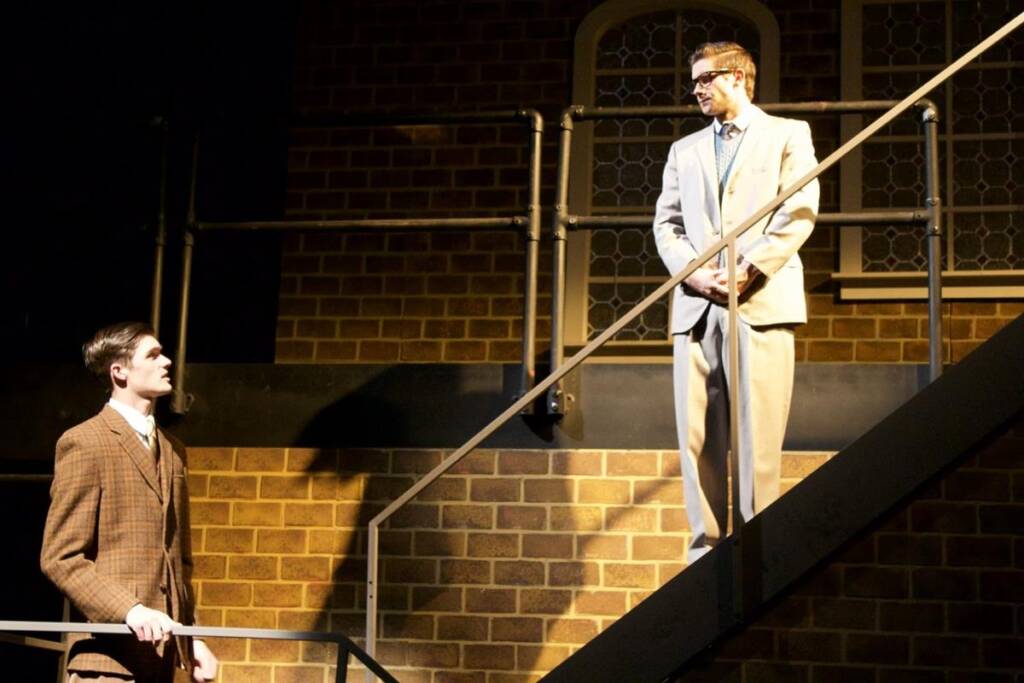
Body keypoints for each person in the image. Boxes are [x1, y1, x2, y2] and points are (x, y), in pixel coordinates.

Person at [653, 42, 819, 563]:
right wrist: (696, 276)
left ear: (741, 77)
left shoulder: (788, 133)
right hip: (698, 306)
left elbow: (799, 207)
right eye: (694, 80)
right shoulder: (685, 149)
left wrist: (750, 269)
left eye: (706, 79)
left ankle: (755, 553)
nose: (697, 89)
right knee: (697, 437)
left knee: (757, 437)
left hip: (761, 300)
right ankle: (704, 552)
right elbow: (667, 223)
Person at [40, 322, 218, 682]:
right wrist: (129, 610)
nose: (167, 361)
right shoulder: (85, 442)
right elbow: (60, 557)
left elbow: (178, 563)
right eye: (152, 355)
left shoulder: (173, 450)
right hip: (106, 661)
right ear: (118, 371)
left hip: (161, 661)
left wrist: (191, 638)